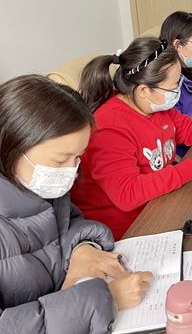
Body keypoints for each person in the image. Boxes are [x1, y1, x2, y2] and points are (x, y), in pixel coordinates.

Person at [72, 37, 192, 239]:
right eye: (174, 86)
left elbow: (189, 128)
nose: (177, 91)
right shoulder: (109, 128)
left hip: (160, 204)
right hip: (129, 230)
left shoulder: (153, 106)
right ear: (144, 90)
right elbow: (128, 194)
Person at [0, 75, 152, 334]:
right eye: (60, 160)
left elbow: (69, 223)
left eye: (78, 157)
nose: (71, 171)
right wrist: (108, 299)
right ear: (12, 145)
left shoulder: (38, 184)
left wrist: (81, 248)